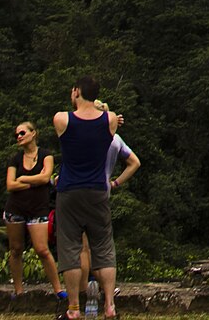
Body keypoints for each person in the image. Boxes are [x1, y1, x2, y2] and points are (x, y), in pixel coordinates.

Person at [53, 77, 121, 320]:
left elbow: (72, 115)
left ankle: (73, 308)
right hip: (97, 189)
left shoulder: (62, 119)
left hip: (69, 189)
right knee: (103, 246)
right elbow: (108, 114)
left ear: (76, 92)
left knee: (70, 248)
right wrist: (101, 107)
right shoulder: (109, 121)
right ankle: (110, 306)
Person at [75, 108, 138, 313]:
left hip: (81, 189)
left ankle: (85, 292)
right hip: (103, 192)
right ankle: (108, 295)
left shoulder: (86, 135)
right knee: (103, 247)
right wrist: (115, 183)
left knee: (84, 247)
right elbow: (134, 162)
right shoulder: (116, 139)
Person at [3, 121, 60, 298]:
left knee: (42, 249)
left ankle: (58, 290)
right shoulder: (15, 158)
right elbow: (10, 185)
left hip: (38, 208)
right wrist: (33, 182)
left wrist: (24, 179)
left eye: (22, 133)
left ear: (33, 133)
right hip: (16, 208)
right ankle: (19, 291)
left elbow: (45, 178)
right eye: (17, 135)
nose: (19, 137)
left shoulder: (46, 155)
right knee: (16, 249)